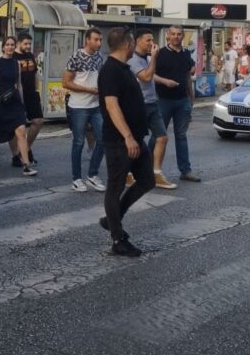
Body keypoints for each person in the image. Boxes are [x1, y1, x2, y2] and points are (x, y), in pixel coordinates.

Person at [98, 27, 155, 257]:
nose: (134, 47)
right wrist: (128, 137)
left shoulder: (123, 68)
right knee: (115, 187)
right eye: (133, 43)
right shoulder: (110, 70)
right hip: (120, 141)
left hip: (136, 138)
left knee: (147, 180)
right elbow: (112, 106)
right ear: (127, 45)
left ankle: (113, 218)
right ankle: (118, 239)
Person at [128, 29, 178, 190]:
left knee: (162, 137)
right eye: (148, 40)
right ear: (138, 41)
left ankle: (156, 173)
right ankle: (127, 172)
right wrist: (155, 57)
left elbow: (151, 75)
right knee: (136, 141)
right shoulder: (132, 59)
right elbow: (145, 77)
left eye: (152, 40)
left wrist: (165, 81)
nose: (151, 43)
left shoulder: (148, 58)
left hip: (153, 102)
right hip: (139, 104)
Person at [0, 36, 37, 177]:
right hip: (1, 102)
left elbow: (19, 84)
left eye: (12, 45)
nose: (10, 47)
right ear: (3, 47)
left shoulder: (16, 63)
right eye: (7, 44)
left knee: (21, 130)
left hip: (14, 101)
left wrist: (22, 104)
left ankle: (26, 165)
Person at [154, 25, 200, 182]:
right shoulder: (160, 54)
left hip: (182, 101)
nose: (176, 37)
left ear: (182, 36)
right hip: (163, 100)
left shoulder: (186, 54)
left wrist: (191, 100)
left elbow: (188, 77)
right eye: (173, 34)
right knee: (158, 136)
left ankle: (185, 171)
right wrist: (165, 82)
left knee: (181, 136)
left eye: (179, 34)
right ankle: (147, 169)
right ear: (167, 35)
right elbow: (150, 75)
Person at [62, 27, 105, 192]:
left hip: (96, 106)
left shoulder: (99, 56)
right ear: (87, 40)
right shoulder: (76, 56)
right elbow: (66, 83)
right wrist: (88, 90)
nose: (99, 43)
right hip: (79, 106)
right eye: (96, 40)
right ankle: (76, 178)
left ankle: (92, 175)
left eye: (100, 40)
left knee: (103, 139)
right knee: (78, 143)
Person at [10, 32, 44, 166]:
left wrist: (37, 90)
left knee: (38, 121)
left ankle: (26, 148)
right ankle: (15, 155)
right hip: (17, 95)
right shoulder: (13, 57)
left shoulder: (30, 56)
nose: (28, 46)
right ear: (18, 43)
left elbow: (35, 74)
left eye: (30, 43)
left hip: (31, 94)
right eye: (26, 44)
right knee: (18, 126)